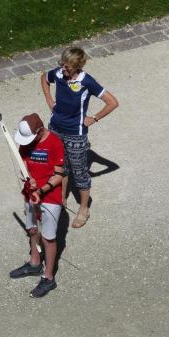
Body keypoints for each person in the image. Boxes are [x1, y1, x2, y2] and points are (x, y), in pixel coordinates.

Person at [41, 46, 118, 228]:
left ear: (78, 66)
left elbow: (112, 102)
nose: (63, 69)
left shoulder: (87, 81)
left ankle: (84, 208)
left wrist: (94, 118)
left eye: (68, 67)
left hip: (76, 134)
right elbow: (44, 78)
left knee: (80, 173)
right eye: (62, 64)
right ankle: (61, 200)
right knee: (60, 167)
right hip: (56, 129)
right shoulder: (59, 74)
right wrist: (49, 100)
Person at [9, 113, 65, 298]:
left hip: (50, 197)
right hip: (30, 193)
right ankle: (34, 263)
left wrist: (41, 190)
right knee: (32, 229)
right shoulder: (25, 141)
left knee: (48, 237)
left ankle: (48, 277)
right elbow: (23, 163)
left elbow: (59, 175)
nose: (26, 142)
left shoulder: (55, 142)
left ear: (40, 129)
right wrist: (28, 179)